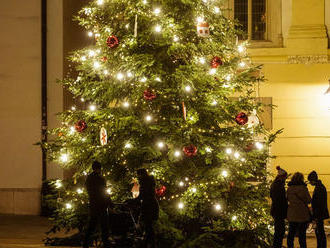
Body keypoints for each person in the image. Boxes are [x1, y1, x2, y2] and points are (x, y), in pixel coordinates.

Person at [83, 161, 113, 248]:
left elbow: (90, 191)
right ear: (99, 168)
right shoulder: (100, 179)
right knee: (104, 226)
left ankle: (85, 243)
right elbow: (104, 191)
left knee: (92, 225)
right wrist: (109, 202)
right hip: (101, 205)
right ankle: (106, 243)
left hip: (94, 204)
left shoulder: (89, 178)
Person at [286, 172, 312, 248]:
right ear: (301, 179)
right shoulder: (303, 188)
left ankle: (290, 246)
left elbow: (287, 199)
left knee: (291, 233)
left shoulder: (289, 189)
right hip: (302, 214)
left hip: (292, 214)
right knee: (302, 234)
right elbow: (308, 200)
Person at [136, 168, 159, 248]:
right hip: (151, 205)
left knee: (148, 226)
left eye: (138, 175)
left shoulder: (145, 183)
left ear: (141, 175)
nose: (138, 177)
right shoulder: (148, 182)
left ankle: (149, 244)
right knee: (148, 226)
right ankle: (149, 243)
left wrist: (133, 201)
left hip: (149, 207)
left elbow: (142, 196)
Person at [308, 171, 329, 248]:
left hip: (319, 213)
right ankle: (321, 245)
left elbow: (318, 203)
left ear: (313, 180)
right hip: (319, 213)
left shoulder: (319, 188)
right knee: (319, 231)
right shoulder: (320, 187)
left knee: (320, 231)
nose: (310, 183)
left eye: (310, 181)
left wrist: (315, 215)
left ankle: (321, 246)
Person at [270, 166, 288, 248]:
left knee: (279, 230)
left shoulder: (276, 184)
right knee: (279, 230)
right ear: (281, 176)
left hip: (277, 210)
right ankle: (277, 245)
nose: (285, 179)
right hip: (278, 211)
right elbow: (281, 199)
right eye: (285, 177)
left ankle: (277, 245)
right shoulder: (278, 185)